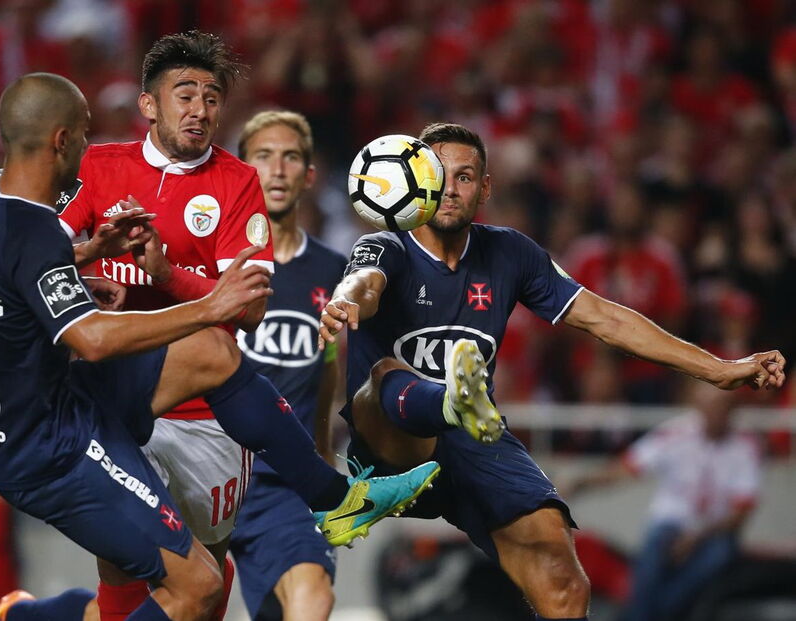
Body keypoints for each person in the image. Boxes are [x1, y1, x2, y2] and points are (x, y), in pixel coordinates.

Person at [0, 73, 437, 621]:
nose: (87, 145)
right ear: (62, 141)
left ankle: (336, 501)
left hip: (45, 403)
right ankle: (31, 617)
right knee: (198, 588)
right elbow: (93, 341)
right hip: (47, 446)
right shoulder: (37, 228)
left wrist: (75, 262)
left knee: (212, 354)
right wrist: (209, 306)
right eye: (84, 133)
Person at [317, 122, 786, 620]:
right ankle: (447, 400)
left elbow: (605, 318)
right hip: (389, 445)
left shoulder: (512, 253)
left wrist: (716, 369)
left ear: (485, 188)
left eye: (466, 176)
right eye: (439, 174)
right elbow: (362, 284)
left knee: (564, 582)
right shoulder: (387, 246)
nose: (451, 189)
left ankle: (460, 404)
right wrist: (345, 302)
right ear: (418, 181)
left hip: (476, 437)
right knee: (384, 372)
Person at [57, 31, 426, 621]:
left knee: (206, 585)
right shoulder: (96, 168)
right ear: (148, 104)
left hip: (209, 423)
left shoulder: (236, 183)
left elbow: (250, 306)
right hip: (117, 404)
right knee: (129, 573)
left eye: (211, 97)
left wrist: (167, 274)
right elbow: (38, 262)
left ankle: (29, 612)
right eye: (184, 94)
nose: (199, 109)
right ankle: (335, 498)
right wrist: (88, 274)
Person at [229, 110, 345, 621]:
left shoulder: (336, 274)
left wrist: (323, 467)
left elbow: (331, 381)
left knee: (312, 598)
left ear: (309, 176)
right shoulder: (210, 265)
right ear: (240, 171)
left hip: (284, 485)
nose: (277, 170)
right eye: (263, 157)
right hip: (200, 472)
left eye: (291, 157)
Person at [565, 382, 761, 621]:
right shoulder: (675, 433)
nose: (715, 413)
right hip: (670, 524)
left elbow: (740, 512)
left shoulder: (744, 445)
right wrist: (581, 483)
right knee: (654, 551)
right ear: (696, 405)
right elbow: (626, 469)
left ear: (732, 409)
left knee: (717, 556)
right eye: (709, 406)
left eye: (721, 406)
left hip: (714, 532)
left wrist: (696, 537)